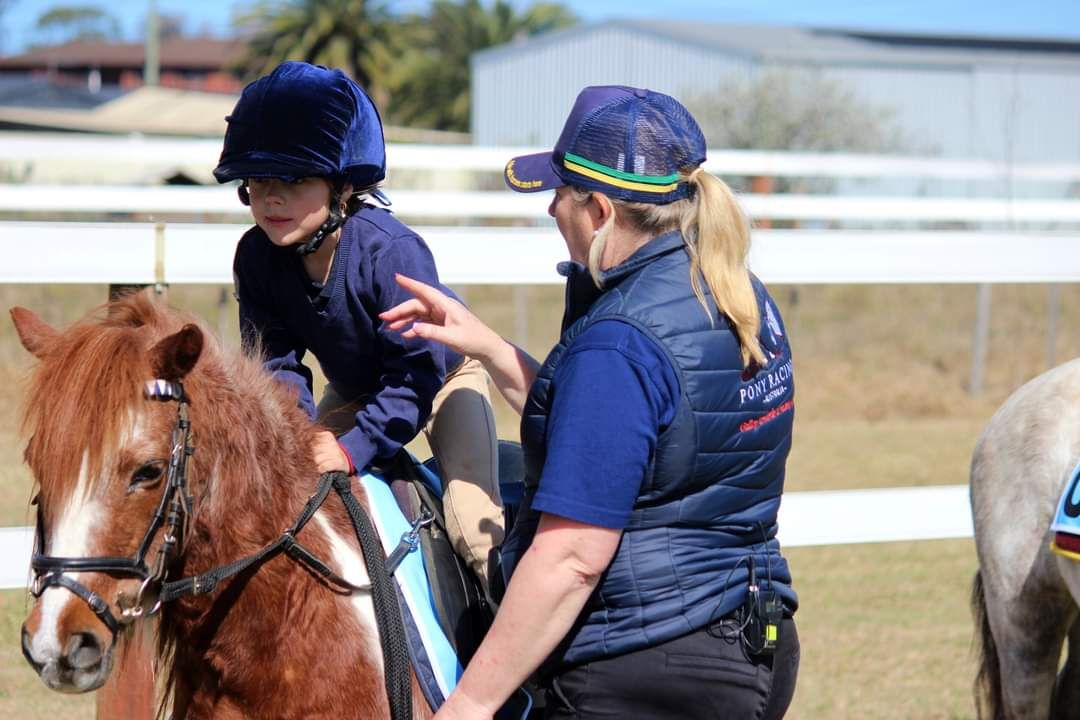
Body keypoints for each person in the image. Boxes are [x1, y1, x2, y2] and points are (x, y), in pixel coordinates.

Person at [381, 85, 800, 719]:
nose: (551, 208)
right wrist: (492, 347)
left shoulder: (621, 342)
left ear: (600, 210)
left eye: (561, 193)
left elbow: (572, 558)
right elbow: (615, 440)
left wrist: (470, 704)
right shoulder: (732, 290)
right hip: (752, 636)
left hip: (641, 667)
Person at [212, 61, 503, 598]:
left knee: (472, 526)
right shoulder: (255, 256)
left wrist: (351, 450)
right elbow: (275, 363)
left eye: (294, 180)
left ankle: (520, 670)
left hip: (440, 379)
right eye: (257, 181)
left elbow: (414, 378)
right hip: (356, 386)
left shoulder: (390, 250)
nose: (270, 197)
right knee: (292, 491)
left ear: (343, 186)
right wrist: (299, 438)